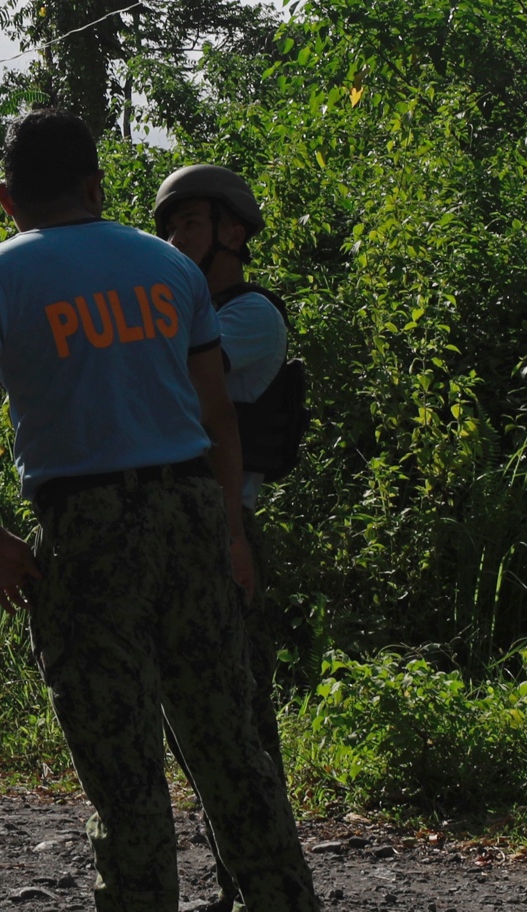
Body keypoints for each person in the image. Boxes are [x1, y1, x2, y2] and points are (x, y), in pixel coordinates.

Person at [0, 111, 317, 912]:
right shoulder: (168, 268)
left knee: (123, 770)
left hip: (85, 528)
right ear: (97, 187)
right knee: (232, 751)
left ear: (6, 199)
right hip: (193, 513)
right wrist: (232, 534)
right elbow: (218, 415)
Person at [155, 164, 290, 912]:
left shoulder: (250, 315)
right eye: (170, 226)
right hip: (174, 529)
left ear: (233, 233)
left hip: (225, 528)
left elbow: (171, 375)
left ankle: (270, 881)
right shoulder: (184, 312)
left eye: (192, 224)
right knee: (194, 726)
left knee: (241, 721)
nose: (177, 239)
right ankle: (236, 881)